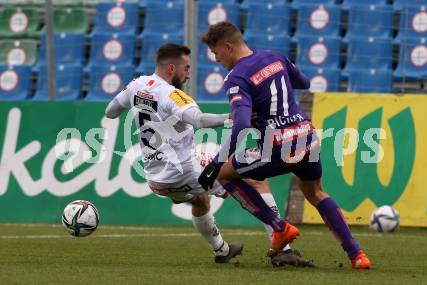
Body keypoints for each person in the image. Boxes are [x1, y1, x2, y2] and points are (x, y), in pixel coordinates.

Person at [104, 43, 312, 267]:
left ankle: (221, 250)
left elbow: (111, 112)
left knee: (200, 201)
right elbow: (200, 121)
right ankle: (283, 248)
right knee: (254, 178)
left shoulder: (137, 85)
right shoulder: (172, 95)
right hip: (185, 170)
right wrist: (230, 117)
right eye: (186, 67)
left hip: (157, 180)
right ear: (172, 68)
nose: (189, 72)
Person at [198, 21, 371, 269]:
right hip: (306, 137)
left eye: (215, 53)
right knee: (315, 192)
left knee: (224, 174)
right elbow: (305, 82)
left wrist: (216, 162)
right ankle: (357, 255)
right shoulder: (275, 57)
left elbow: (241, 124)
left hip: (277, 145)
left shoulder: (236, 78)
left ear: (227, 47)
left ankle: (279, 227)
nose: (216, 60)